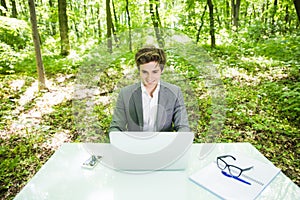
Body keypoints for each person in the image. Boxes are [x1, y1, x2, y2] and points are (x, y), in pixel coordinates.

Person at [109, 45, 190, 132]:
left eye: (154, 72)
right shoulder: (125, 94)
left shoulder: (174, 92)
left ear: (161, 70)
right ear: (139, 70)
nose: (149, 78)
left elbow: (183, 126)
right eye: (144, 72)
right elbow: (116, 127)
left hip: (164, 143)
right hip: (135, 144)